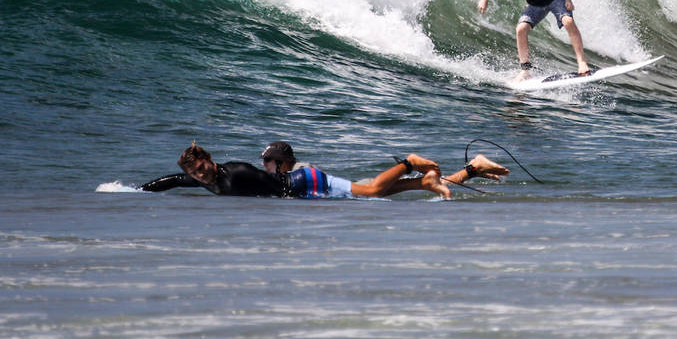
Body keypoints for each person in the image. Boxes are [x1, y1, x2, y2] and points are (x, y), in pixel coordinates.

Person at [140, 142, 506, 199]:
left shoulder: (232, 174)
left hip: (303, 182)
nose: (200, 175)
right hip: (301, 185)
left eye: (202, 168)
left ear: (209, 159)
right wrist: (137, 192)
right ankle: (471, 170)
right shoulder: (208, 178)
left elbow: (265, 197)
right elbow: (175, 181)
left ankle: (408, 161)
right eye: (197, 173)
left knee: (373, 192)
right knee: (400, 190)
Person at [257, 140, 510, 198]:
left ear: (279, 162)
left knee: (387, 188)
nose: (264, 167)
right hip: (354, 187)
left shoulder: (296, 173)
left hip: (359, 188)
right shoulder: (293, 172)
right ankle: (473, 168)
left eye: (267, 162)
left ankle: (410, 162)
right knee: (423, 184)